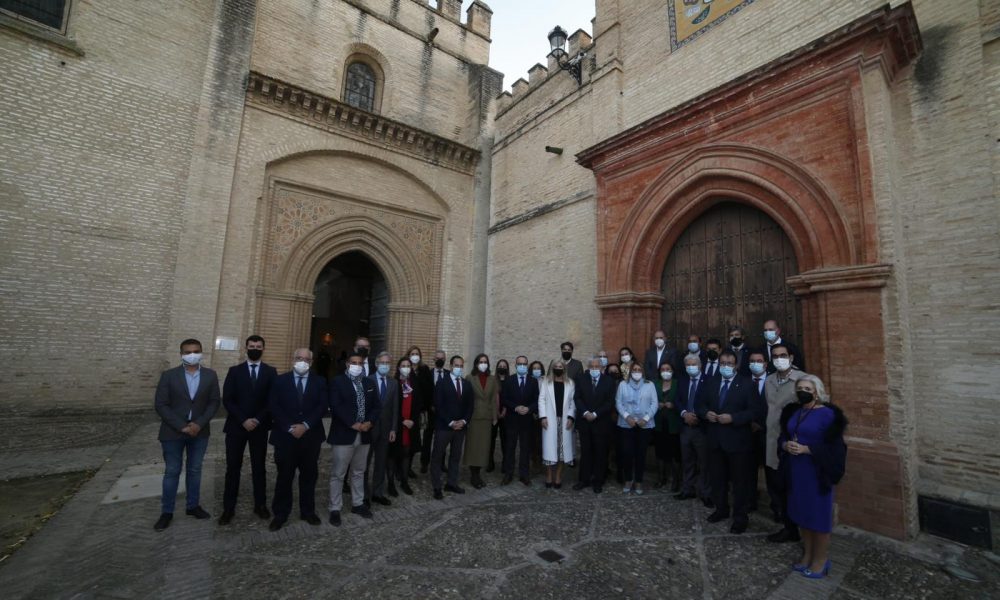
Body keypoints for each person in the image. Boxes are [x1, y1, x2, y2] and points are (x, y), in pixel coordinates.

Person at [780, 375, 847, 578]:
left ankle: (820, 559)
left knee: (818, 516)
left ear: (817, 391)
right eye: (800, 387)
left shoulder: (827, 415)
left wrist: (808, 449)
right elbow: (784, 435)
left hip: (817, 472)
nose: (803, 391)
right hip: (796, 470)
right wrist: (785, 445)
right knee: (802, 514)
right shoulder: (795, 412)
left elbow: (836, 448)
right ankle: (808, 554)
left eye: (808, 388)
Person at [153, 339, 221, 531]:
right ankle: (167, 512)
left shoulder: (210, 375)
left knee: (195, 470)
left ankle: (193, 506)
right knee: (172, 471)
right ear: (181, 354)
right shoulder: (169, 375)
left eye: (196, 351)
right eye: (188, 352)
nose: (192, 354)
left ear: (201, 352)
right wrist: (182, 426)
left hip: (199, 432)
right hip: (172, 432)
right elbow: (161, 405)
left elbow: (214, 402)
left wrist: (198, 424)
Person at [696, 350, 765, 533]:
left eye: (729, 363)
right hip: (715, 440)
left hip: (738, 442)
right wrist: (705, 413)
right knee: (718, 479)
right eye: (723, 363)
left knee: (740, 482)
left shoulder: (746, 384)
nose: (725, 366)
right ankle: (721, 509)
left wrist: (733, 418)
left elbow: (755, 411)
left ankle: (740, 517)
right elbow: (699, 404)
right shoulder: (711, 382)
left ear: (735, 365)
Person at [267, 348, 327, 531]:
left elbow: (322, 405)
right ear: (293, 359)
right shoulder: (280, 380)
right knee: (284, 476)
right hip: (285, 436)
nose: (303, 361)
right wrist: (289, 427)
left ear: (312, 361)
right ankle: (281, 513)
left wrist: (306, 425)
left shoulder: (320, 381)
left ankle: (308, 511)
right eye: (299, 358)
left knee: (309, 476)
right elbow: (273, 405)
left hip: (311, 437)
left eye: (306, 359)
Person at [220, 335, 276, 525]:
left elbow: (272, 400)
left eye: (258, 346)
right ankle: (228, 508)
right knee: (232, 468)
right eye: (251, 346)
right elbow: (228, 399)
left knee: (259, 468)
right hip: (236, 426)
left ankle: (260, 505)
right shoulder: (234, 371)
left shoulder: (270, 372)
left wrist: (258, 419)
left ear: (263, 349)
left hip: (259, 428)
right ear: (246, 348)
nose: (255, 348)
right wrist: (243, 419)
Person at [327, 352, 380, 526]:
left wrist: (369, 422)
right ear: (347, 364)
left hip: (364, 434)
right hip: (344, 434)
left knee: (359, 471)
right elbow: (336, 405)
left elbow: (376, 406)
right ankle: (335, 507)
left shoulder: (369, 383)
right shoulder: (337, 382)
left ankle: (358, 503)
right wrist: (353, 423)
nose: (357, 365)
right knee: (338, 473)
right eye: (353, 362)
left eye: (360, 363)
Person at [764, 343, 806, 542]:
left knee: (793, 487)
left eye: (782, 355)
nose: (778, 358)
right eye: (775, 355)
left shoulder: (803, 380)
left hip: (791, 442)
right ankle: (788, 526)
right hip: (772, 440)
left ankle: (799, 528)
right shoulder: (770, 380)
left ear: (791, 357)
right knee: (776, 484)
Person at [431, 355, 474, 498]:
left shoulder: (467, 384)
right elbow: (439, 405)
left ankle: (452, 483)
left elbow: (470, 406)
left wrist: (464, 421)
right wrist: (450, 422)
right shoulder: (441, 383)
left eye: (461, 366)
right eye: (457, 365)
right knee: (437, 456)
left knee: (455, 457)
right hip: (444, 426)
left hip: (461, 428)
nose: (459, 368)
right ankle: (437, 487)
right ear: (450, 366)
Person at [574, 357, 617, 493]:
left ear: (602, 368)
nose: (594, 369)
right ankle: (583, 480)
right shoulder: (581, 379)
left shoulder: (609, 381)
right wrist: (586, 412)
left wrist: (596, 414)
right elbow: (577, 397)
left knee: (600, 452)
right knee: (585, 452)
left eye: (596, 367)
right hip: (585, 421)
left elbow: (610, 402)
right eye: (591, 367)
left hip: (601, 422)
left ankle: (598, 481)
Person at [676, 354, 712, 507]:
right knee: (687, 460)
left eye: (693, 364)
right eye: (688, 365)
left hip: (701, 427)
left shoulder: (709, 381)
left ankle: (705, 493)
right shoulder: (683, 381)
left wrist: (698, 415)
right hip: (685, 427)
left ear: (700, 365)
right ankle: (687, 489)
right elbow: (677, 399)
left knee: (704, 463)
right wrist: (684, 414)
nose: (690, 367)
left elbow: (711, 402)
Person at [616, 362, 657, 495]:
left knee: (641, 454)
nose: (637, 371)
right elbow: (618, 402)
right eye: (634, 369)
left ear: (643, 372)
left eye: (639, 369)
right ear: (630, 371)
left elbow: (654, 403)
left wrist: (645, 419)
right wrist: (627, 417)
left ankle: (639, 481)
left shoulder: (649, 385)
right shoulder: (623, 384)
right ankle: (628, 479)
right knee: (627, 453)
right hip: (627, 424)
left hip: (644, 425)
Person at [365, 351, 399, 507]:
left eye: (388, 363)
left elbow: (395, 408)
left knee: (380, 462)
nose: (385, 365)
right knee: (364, 463)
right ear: (377, 364)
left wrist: (393, 429)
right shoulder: (367, 380)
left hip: (386, 430)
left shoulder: (393, 383)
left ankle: (377, 493)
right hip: (369, 428)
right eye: (383, 363)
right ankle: (364, 495)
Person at [538, 358, 576, 489]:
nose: (558, 368)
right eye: (556, 366)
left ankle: (558, 475)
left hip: (565, 420)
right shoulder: (545, 382)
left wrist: (571, 417)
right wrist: (542, 417)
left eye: (561, 366)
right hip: (549, 420)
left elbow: (573, 402)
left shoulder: (570, 383)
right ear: (552, 367)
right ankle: (549, 475)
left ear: (564, 369)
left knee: (562, 451)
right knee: (549, 449)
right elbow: (541, 400)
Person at [463, 353, 499, 489]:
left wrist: (495, 417)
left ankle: (478, 472)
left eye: (485, 362)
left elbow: (493, 400)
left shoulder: (492, 379)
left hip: (487, 417)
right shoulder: (470, 378)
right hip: (473, 416)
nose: (483, 364)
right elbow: (466, 399)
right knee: (473, 447)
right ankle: (474, 475)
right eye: (481, 361)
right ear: (476, 364)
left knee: (483, 447)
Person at [501, 355, 538, 486]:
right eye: (519, 364)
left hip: (527, 420)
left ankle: (524, 474)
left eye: (524, 364)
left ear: (527, 366)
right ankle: (508, 474)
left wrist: (529, 408)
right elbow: (504, 399)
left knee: (525, 448)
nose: (522, 366)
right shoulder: (509, 380)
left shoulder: (533, 381)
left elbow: (537, 400)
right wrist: (516, 407)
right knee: (510, 447)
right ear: (516, 365)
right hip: (512, 419)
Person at [388, 357, 420, 496]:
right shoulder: (393, 382)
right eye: (403, 365)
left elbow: (418, 404)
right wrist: (401, 420)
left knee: (407, 453)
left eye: (408, 365)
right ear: (398, 367)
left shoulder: (414, 383)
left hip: (411, 424)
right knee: (392, 455)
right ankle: (390, 483)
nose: (406, 367)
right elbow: (389, 406)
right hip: (397, 424)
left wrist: (412, 420)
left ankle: (404, 481)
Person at [652, 361, 682, 492]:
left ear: (673, 370)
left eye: (668, 369)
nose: (665, 371)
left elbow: (683, 399)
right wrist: (655, 404)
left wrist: (674, 405)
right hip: (658, 423)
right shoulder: (654, 384)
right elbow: (649, 400)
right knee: (659, 451)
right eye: (663, 369)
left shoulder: (678, 384)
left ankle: (676, 480)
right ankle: (661, 478)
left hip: (673, 423)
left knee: (675, 453)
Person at [420, 349, 449, 473]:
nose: (439, 360)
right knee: (427, 439)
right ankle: (424, 463)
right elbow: (424, 392)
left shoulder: (449, 374)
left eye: (442, 358)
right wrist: (429, 406)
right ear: (433, 359)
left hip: (444, 414)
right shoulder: (428, 374)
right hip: (430, 413)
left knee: (442, 439)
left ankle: (441, 463)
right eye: (437, 358)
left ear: (445, 360)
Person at [406, 345, 431, 478]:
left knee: (414, 442)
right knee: (404, 441)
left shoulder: (424, 369)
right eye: (412, 353)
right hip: (405, 411)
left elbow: (428, 388)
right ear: (408, 355)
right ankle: (401, 468)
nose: (415, 356)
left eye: (417, 354)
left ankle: (408, 467)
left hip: (418, 410)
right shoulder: (404, 368)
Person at [748, 350, 768, 512]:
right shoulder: (744, 381)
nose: (755, 363)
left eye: (759, 360)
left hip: (768, 433)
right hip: (747, 432)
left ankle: (777, 507)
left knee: (771, 472)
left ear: (765, 364)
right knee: (748, 470)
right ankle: (750, 501)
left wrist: (762, 424)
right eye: (752, 361)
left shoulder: (773, 381)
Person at [487, 358, 510, 473]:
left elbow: (511, 397)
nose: (502, 367)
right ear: (497, 368)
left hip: (507, 414)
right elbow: (490, 397)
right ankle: (490, 463)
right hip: (493, 414)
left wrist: (504, 410)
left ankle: (505, 464)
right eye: (500, 366)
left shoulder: (510, 381)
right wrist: (496, 412)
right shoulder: (492, 380)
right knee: (490, 440)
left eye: (504, 366)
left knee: (505, 441)